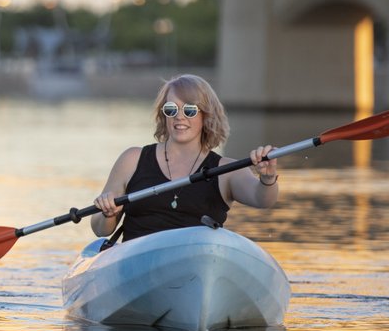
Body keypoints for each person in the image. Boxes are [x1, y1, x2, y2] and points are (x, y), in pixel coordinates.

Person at [91, 74, 279, 242]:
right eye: (171, 109)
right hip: (136, 263)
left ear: (206, 116)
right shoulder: (132, 159)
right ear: (163, 114)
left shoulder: (227, 171)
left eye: (190, 110)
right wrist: (108, 215)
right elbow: (100, 230)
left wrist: (268, 177)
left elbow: (262, 200)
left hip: (195, 263)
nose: (179, 117)